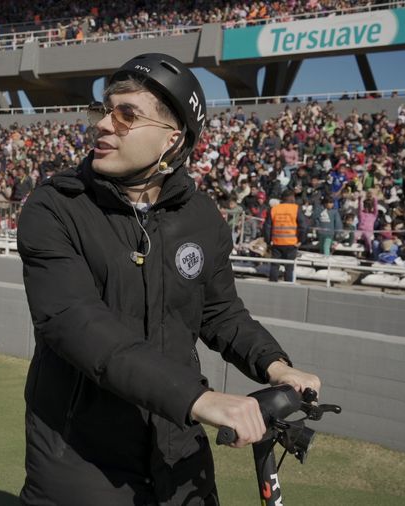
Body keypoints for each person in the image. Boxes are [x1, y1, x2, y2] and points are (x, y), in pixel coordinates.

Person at [17, 53, 320, 506]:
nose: (103, 125)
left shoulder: (201, 216)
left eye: (126, 115)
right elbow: (75, 323)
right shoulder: (54, 207)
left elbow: (220, 312)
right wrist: (200, 400)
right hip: (80, 455)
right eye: (104, 110)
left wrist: (276, 365)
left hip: (176, 444)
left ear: (172, 140)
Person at [264, 189, 306, 282]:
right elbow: (303, 226)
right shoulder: (296, 209)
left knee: (274, 265)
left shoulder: (274, 209)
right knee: (289, 267)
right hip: (291, 243)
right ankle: (288, 287)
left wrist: (268, 241)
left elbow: (267, 227)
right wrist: (300, 241)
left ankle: (272, 285)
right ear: (291, 198)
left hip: (276, 243)